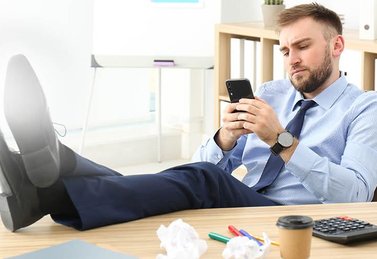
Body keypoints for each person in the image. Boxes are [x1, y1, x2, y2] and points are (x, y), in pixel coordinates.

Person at [1, 3, 377, 232]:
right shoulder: (271, 93)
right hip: (241, 202)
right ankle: (45, 185)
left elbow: (357, 196)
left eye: (303, 46)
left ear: (336, 45)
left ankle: (52, 174)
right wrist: (222, 141)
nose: (291, 58)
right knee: (182, 182)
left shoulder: (365, 109)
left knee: (205, 181)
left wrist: (281, 140)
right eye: (284, 49)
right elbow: (194, 169)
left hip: (296, 221)